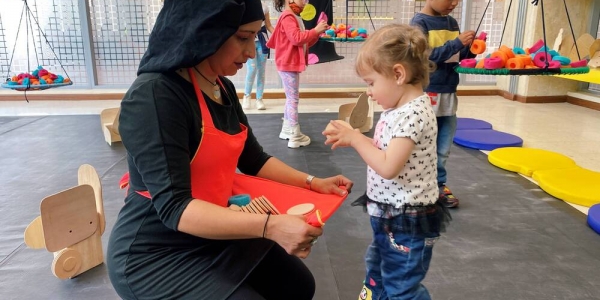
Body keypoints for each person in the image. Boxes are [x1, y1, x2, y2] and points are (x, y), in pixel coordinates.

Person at [106, 1, 353, 299]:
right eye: (242, 37)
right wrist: (269, 227)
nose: (251, 52)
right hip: (156, 253)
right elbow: (175, 209)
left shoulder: (220, 86)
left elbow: (254, 160)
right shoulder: (155, 97)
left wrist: (312, 183)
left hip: (212, 229)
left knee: (298, 286)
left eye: (255, 37)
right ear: (206, 31)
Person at [323, 24, 451, 299]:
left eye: (371, 83)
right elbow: (387, 152)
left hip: (405, 220)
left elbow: (388, 167)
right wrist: (355, 137)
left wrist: (356, 139)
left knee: (402, 286)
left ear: (398, 74)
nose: (369, 92)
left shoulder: (413, 114)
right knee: (378, 270)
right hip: (389, 214)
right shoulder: (399, 109)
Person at [410, 0, 476, 208]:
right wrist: (456, 43)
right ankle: (418, 185)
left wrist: (470, 49)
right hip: (428, 92)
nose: (454, 3)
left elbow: (455, 56)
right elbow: (424, 57)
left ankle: (438, 186)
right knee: (422, 145)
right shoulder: (419, 23)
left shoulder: (451, 22)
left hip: (449, 92)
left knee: (443, 148)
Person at [266, 0, 328, 148]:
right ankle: (295, 135)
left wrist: (316, 33)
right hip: (288, 63)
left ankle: (287, 129)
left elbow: (303, 42)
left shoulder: (293, 17)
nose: (305, 2)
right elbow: (297, 38)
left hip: (288, 63)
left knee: (290, 98)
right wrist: (315, 31)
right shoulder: (288, 17)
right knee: (293, 99)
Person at [242, 1, 274, 110]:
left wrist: (278, 35)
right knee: (252, 69)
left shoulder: (265, 7)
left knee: (261, 71)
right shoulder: (245, 5)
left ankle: (259, 99)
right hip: (250, 40)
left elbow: (268, 25)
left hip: (262, 41)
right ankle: (247, 96)